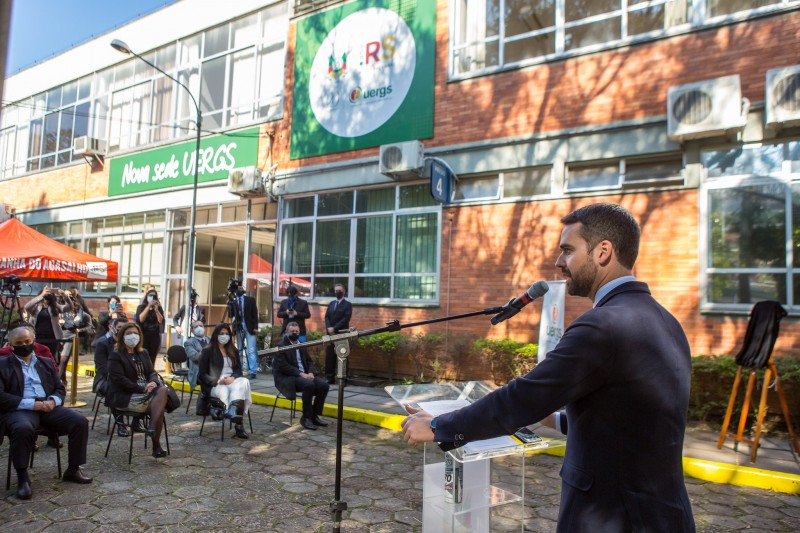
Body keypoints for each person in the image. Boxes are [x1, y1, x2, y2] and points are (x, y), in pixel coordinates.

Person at [401, 203, 695, 532]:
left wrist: (439, 425)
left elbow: (522, 399)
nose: (558, 262)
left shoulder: (602, 326)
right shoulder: (667, 321)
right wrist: (551, 418)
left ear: (603, 252)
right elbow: (633, 420)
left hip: (614, 517)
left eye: (568, 250)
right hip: (666, 515)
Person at [0, 326, 92, 500]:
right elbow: (1, 396)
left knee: (80, 421)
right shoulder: (3, 365)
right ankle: (22, 477)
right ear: (11, 346)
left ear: (33, 341)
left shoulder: (45, 362)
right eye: (19, 343)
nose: (24, 345)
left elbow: (59, 388)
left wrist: (53, 401)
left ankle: (73, 469)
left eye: (27, 341)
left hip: (47, 405)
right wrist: (32, 405)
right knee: (22, 428)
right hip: (21, 408)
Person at [106, 322, 170, 458]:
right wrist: (142, 388)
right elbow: (119, 380)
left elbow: (152, 372)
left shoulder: (143, 353)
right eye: (129, 334)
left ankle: (152, 429)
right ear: (122, 336)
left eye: (135, 333)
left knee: (162, 391)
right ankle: (156, 445)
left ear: (140, 336)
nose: (133, 336)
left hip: (147, 391)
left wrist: (153, 382)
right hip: (127, 395)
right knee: (159, 406)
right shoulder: (116, 355)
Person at [198, 323, 252, 439]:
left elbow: (238, 371)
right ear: (216, 335)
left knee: (244, 382)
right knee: (234, 392)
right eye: (221, 333)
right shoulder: (207, 351)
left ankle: (232, 410)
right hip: (215, 384)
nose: (224, 336)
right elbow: (202, 375)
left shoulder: (233, 350)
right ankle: (238, 424)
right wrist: (217, 381)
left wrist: (233, 377)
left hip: (231, 381)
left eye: (227, 334)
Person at [273, 321, 329, 431]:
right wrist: (301, 374)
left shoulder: (301, 344)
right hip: (289, 377)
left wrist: (311, 372)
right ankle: (306, 418)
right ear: (286, 332)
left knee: (324, 385)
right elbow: (284, 367)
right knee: (309, 385)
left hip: (305, 375)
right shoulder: (281, 346)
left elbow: (309, 361)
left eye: (297, 331)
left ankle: (314, 415)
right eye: (292, 331)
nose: (295, 333)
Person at [94, 317, 130, 437]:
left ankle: (137, 421)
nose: (122, 331)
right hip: (105, 380)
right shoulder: (102, 343)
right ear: (112, 328)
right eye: (119, 328)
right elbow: (102, 368)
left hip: (126, 378)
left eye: (125, 328)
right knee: (115, 388)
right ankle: (120, 424)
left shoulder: (129, 344)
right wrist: (120, 379)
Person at [24, 286, 73, 362]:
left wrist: (65, 296)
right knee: (38, 357)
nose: (47, 297)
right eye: (46, 294)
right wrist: (42, 295)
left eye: (49, 294)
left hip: (52, 337)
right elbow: (26, 307)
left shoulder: (55, 306)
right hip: (38, 336)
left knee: (51, 358)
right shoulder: (36, 307)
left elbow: (70, 307)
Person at [227, 286, 259, 379]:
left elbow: (255, 314)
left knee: (251, 350)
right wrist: (229, 305)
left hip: (250, 327)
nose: (239, 290)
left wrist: (256, 327)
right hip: (238, 327)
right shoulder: (234, 302)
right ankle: (239, 370)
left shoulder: (250, 300)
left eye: (241, 288)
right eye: (238, 288)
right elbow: (230, 315)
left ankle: (252, 371)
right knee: (239, 349)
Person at [324, 283, 352, 383]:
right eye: (336, 291)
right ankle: (329, 377)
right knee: (330, 356)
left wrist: (334, 328)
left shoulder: (347, 305)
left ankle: (343, 379)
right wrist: (329, 328)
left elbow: (345, 319)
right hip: (330, 334)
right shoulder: (331, 303)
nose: (337, 292)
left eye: (339, 291)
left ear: (344, 292)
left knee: (342, 355)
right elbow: (326, 316)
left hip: (341, 333)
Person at [135, 288, 164, 366]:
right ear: (147, 296)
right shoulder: (141, 307)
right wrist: (148, 306)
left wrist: (156, 309)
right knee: (143, 356)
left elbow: (160, 321)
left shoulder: (159, 308)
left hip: (154, 336)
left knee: (152, 358)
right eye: (150, 295)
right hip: (143, 335)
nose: (152, 297)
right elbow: (141, 319)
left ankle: (151, 371)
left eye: (154, 296)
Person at [184, 320, 209, 398]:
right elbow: (195, 357)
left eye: (201, 326)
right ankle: (204, 401)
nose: (199, 328)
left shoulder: (210, 339)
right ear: (192, 330)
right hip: (198, 373)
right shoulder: (189, 343)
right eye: (196, 327)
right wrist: (209, 350)